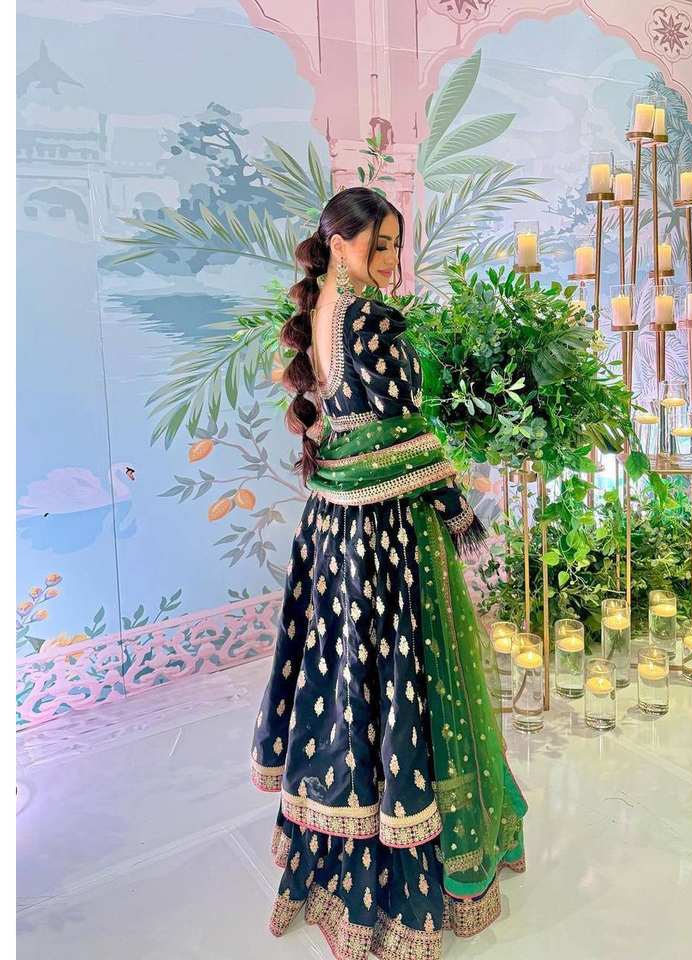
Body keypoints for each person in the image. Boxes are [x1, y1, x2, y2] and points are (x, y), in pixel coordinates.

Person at [250, 186, 528, 960]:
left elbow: (339, 423)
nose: (390, 259)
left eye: (395, 245)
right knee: (404, 682)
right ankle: (406, 876)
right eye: (379, 245)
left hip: (337, 528)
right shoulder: (369, 318)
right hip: (385, 535)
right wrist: (458, 511)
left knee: (351, 686)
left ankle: (343, 854)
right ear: (339, 243)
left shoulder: (319, 311)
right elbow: (406, 431)